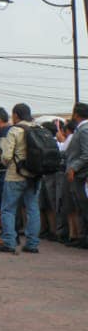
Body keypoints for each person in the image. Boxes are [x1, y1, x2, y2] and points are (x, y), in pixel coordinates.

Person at [0, 103, 40, 254]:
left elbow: (6, 156)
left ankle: (9, 241)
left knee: (8, 209)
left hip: (15, 175)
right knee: (32, 209)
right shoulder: (38, 128)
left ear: (16, 115)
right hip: (34, 176)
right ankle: (32, 244)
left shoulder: (15, 130)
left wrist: (6, 161)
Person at [63, 103, 88, 249]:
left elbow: (86, 154)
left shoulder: (84, 130)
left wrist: (73, 167)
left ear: (76, 114)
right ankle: (83, 237)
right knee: (80, 207)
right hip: (79, 174)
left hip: (81, 174)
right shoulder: (81, 129)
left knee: (83, 206)